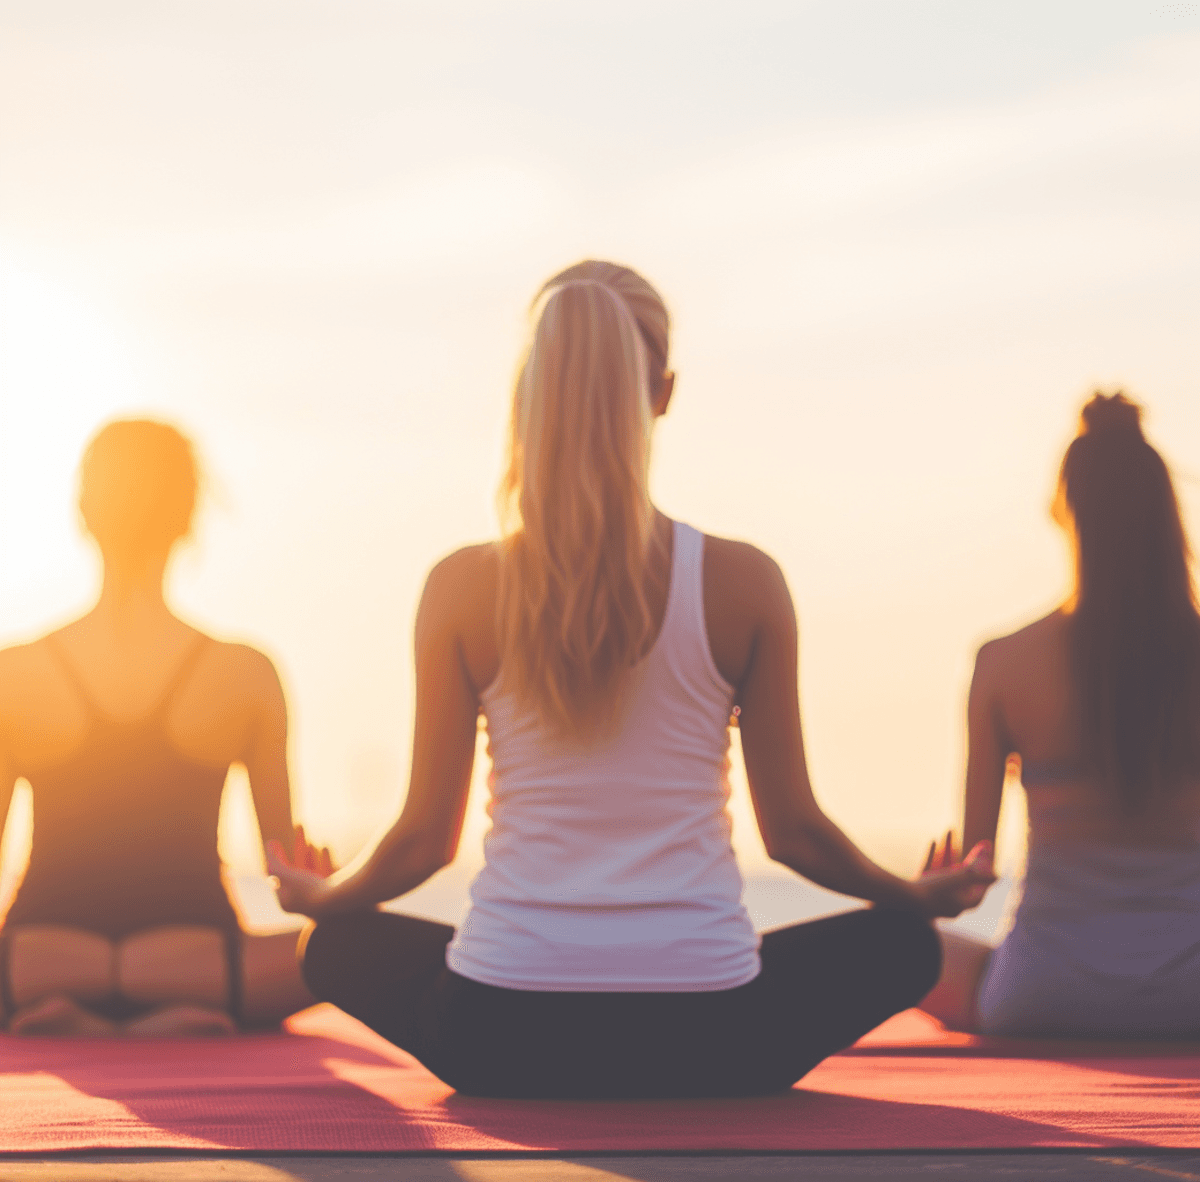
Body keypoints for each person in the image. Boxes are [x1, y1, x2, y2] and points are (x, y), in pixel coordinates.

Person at [269, 261, 993, 1098]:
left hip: (498, 1034)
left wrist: (327, 897)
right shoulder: (743, 581)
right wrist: (913, 894)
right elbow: (794, 834)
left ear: (528, 393)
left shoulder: (461, 587)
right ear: (663, 391)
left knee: (330, 947)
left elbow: (424, 842)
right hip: (716, 1041)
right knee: (907, 944)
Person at [0, 419, 322, 1035]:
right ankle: (174, 1010)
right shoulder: (247, 673)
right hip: (202, 962)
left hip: (36, 961)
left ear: (84, 515)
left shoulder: (14, 674)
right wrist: (333, 898)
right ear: (188, 520)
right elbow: (288, 881)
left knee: (38, 968)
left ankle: (78, 1003)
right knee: (345, 956)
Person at [921, 392, 1200, 1038]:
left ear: (1063, 510)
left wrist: (930, 891)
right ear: (1166, 514)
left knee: (898, 952)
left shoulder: (1003, 664)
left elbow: (973, 880)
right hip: (1193, 1000)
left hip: (1042, 995)